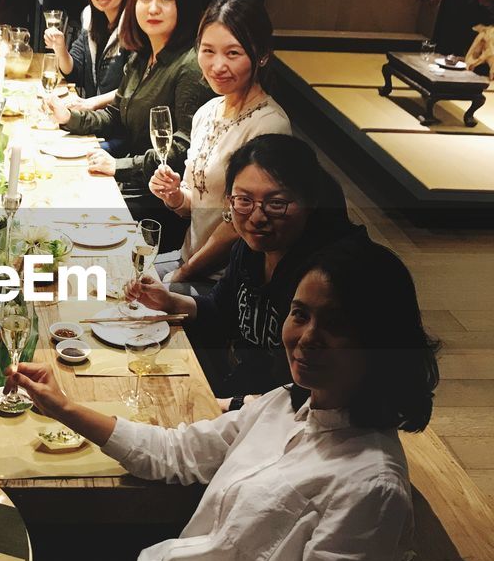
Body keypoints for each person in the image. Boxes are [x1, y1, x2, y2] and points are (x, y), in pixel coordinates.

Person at [6, 236, 438, 561]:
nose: (307, 337)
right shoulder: (287, 403)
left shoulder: (372, 485)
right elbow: (174, 454)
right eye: (300, 314)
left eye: (337, 325)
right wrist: (63, 406)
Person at [129, 135, 364, 405]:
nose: (257, 217)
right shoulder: (251, 248)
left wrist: (229, 407)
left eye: (276, 203)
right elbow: (221, 310)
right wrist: (169, 301)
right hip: (245, 394)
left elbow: (318, 391)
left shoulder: (327, 277)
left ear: (309, 202)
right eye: (243, 200)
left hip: (289, 421)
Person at [45, 0, 211, 226]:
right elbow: (115, 116)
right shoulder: (142, 56)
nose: (153, 8)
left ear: (185, 4)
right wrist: (69, 118)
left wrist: (119, 167)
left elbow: (182, 151)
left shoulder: (190, 66)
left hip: (158, 201)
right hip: (129, 182)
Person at [149, 0, 290, 294]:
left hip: (224, 281)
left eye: (233, 53)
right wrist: (175, 195)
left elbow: (239, 226)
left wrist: (181, 274)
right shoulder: (207, 112)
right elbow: (194, 205)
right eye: (208, 51)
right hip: (185, 258)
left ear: (262, 55)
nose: (217, 65)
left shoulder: (269, 125)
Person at [44, 0, 140, 103]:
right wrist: (60, 48)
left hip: (118, 122)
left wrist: (89, 105)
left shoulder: (135, 27)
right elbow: (74, 72)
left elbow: (133, 89)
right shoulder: (90, 18)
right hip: (93, 119)